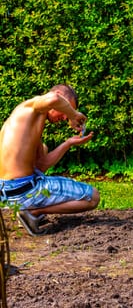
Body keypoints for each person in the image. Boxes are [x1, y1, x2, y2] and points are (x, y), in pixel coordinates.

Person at [0, 84, 100, 236]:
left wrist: (68, 143)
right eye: (66, 108)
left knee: (44, 148)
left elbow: (41, 166)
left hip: (9, 192)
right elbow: (53, 98)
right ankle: (32, 211)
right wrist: (74, 114)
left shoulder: (29, 123)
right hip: (23, 191)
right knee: (93, 197)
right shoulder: (32, 106)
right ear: (59, 94)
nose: (65, 117)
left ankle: (29, 210)